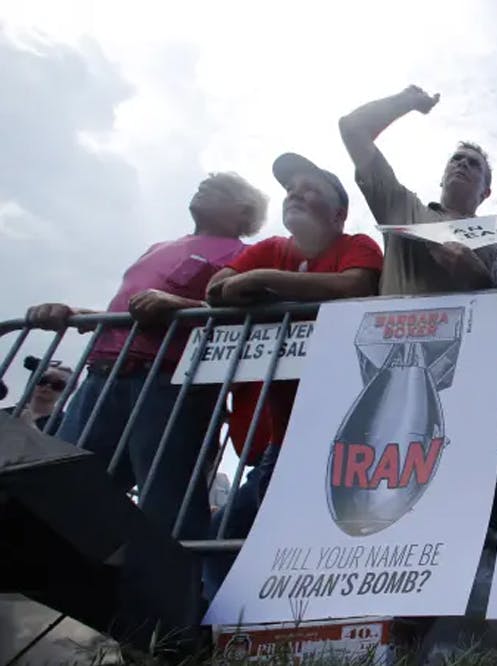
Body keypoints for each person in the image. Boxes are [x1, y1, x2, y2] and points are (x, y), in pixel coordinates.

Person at [26, 172, 268, 540]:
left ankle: (181, 593)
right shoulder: (158, 247)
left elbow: (251, 314)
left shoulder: (246, 256)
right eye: (205, 183)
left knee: (168, 506)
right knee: (64, 491)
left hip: (168, 385)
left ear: (243, 213)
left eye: (220, 189)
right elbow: (130, 310)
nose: (203, 187)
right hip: (102, 376)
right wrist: (71, 311)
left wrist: (181, 304)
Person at [202, 152, 383, 600]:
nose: (295, 195)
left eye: (311, 189)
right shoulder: (269, 247)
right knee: (229, 532)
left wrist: (262, 280)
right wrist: (261, 280)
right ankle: (221, 631)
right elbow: (215, 291)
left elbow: (354, 285)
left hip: (340, 428)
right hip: (279, 431)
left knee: (294, 531)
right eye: (290, 189)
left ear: (338, 213)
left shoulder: (357, 244)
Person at [340, 85, 495, 295]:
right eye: (456, 159)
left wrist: (480, 278)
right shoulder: (403, 208)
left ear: (486, 192)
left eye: (474, 164)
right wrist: (406, 101)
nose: (463, 164)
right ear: (441, 179)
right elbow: (352, 128)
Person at [2, 361, 72, 431]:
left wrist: (30, 425)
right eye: (43, 380)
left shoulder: (65, 424)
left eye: (58, 384)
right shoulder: (6, 412)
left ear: (69, 391)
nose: (48, 385)